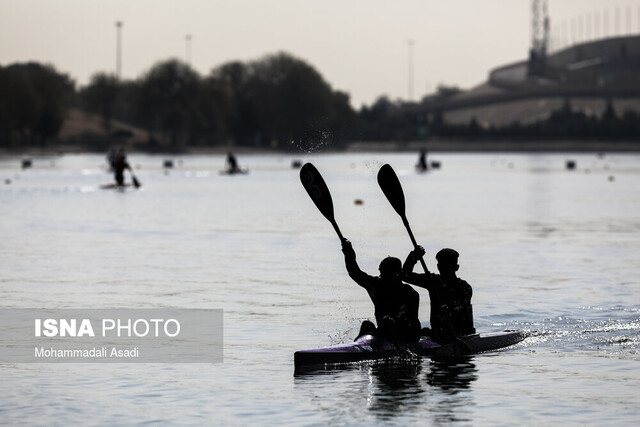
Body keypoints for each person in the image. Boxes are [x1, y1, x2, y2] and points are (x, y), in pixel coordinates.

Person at [341, 239, 422, 343]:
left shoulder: (410, 293)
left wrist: (394, 320)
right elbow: (355, 272)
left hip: (407, 333)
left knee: (390, 324)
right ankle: (359, 346)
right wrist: (348, 252)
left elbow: (406, 312)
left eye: (386, 274)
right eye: (381, 273)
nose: (381, 276)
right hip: (386, 330)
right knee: (367, 325)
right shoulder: (377, 284)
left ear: (397, 274)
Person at [403, 246, 475, 341]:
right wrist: (413, 257)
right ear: (438, 267)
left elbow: (463, 308)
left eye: (448, 266)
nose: (445, 269)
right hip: (439, 333)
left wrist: (451, 310)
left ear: (456, 267)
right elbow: (405, 275)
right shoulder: (433, 281)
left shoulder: (464, 287)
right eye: (443, 265)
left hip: (461, 333)